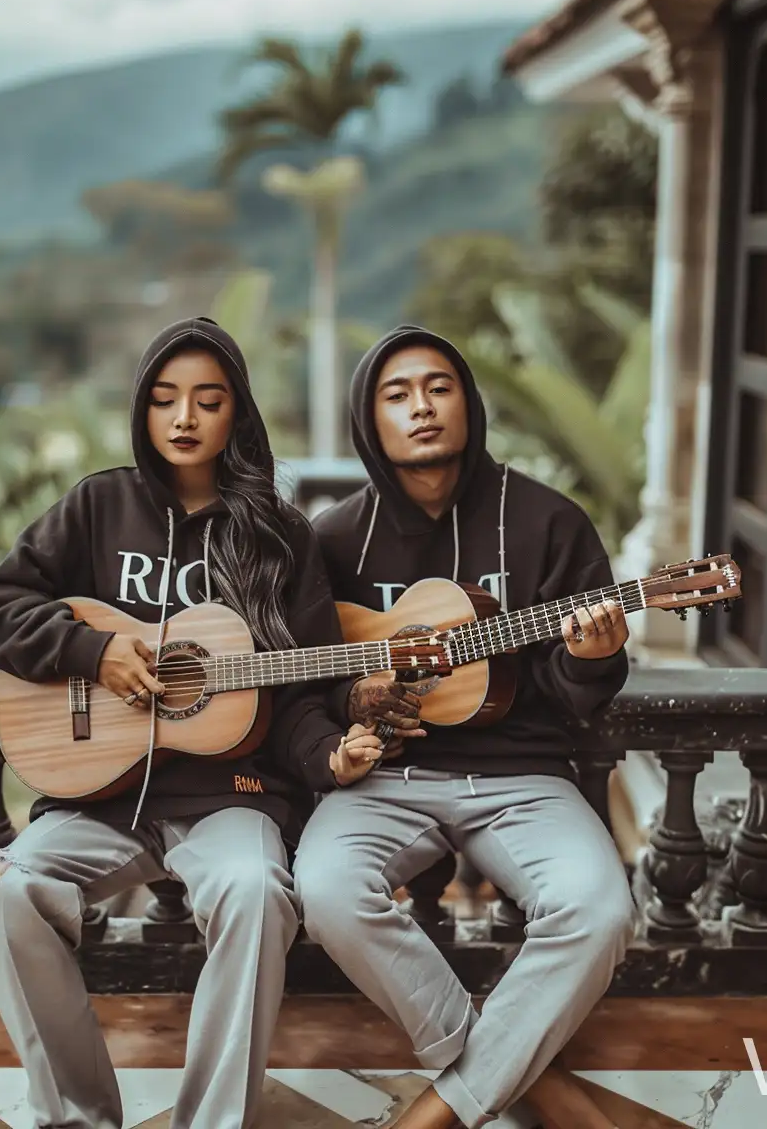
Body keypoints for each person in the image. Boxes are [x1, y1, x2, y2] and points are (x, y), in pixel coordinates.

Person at [0, 320, 387, 1129]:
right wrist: (93, 652)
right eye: (164, 400)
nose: (184, 417)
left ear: (238, 414)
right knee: (11, 892)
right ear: (143, 412)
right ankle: (79, 1116)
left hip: (231, 797)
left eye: (207, 399)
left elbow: (305, 694)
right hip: (99, 797)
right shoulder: (98, 505)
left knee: (260, 893)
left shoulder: (279, 537)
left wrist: (333, 751)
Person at [293, 328, 637, 1129]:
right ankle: (516, 1076)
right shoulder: (334, 539)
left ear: (468, 404)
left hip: (524, 778)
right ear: (367, 419)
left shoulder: (551, 523)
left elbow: (576, 692)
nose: (421, 407)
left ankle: (441, 1111)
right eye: (397, 393)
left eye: (439, 387)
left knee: (601, 908)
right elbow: (304, 682)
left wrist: (592, 656)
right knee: (326, 889)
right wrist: (358, 699)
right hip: (384, 780)